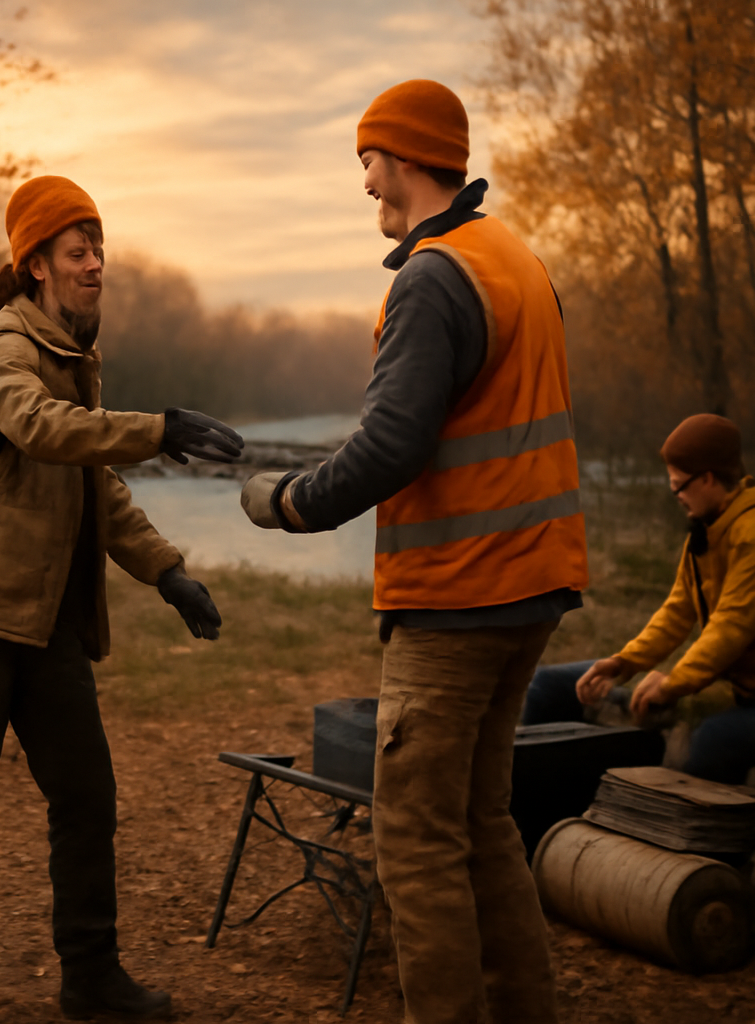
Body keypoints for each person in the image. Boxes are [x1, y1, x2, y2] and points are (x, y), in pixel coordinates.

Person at [241, 80, 586, 1024]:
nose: (364, 186)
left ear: (404, 156)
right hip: (531, 589)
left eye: (368, 161)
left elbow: (393, 445)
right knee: (480, 823)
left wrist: (288, 504)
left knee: (417, 842)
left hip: (458, 600)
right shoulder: (515, 257)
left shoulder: (431, 276)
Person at [0, 175, 243, 1024]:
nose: (96, 263)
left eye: (99, 248)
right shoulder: (3, 348)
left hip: (46, 628)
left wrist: (168, 572)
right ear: (36, 264)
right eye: (78, 250)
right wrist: (159, 428)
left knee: (86, 796)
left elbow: (91, 484)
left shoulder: (75, 354)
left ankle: (91, 976)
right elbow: (38, 428)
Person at [527, 415, 755, 804]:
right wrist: (622, 663)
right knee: (551, 685)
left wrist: (671, 684)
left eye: (677, 485)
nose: (676, 496)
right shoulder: (708, 529)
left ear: (706, 478)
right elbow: (676, 613)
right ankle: (542, 814)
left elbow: (729, 631)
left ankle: (705, 856)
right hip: (748, 688)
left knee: (713, 742)